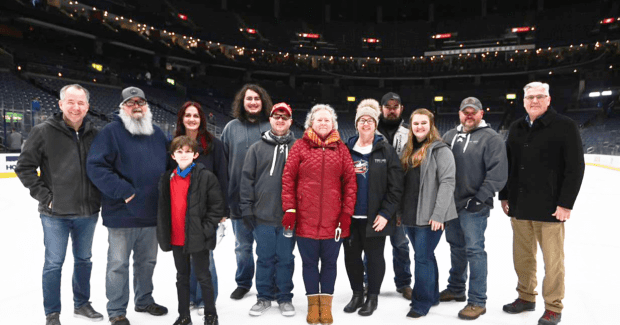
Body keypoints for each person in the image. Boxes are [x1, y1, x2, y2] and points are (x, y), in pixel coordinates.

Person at [16, 84, 103, 325]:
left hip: (88, 212)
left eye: (81, 103)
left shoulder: (95, 134)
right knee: (54, 263)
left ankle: (82, 304)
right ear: (61, 104)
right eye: (71, 102)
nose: (76, 107)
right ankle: (52, 313)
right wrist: (46, 197)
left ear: (87, 106)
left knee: (84, 260)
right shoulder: (43, 131)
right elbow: (24, 167)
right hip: (55, 214)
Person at [499, 82, 585, 325]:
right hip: (520, 206)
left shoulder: (565, 126)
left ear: (549, 99)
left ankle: (553, 307)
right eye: (530, 97)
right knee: (523, 258)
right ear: (524, 101)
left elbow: (575, 167)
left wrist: (566, 203)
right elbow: (509, 165)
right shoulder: (516, 127)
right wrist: (505, 196)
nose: (534, 101)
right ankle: (526, 297)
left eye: (539, 96)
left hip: (551, 209)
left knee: (553, 262)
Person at [87, 86, 169, 325]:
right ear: (122, 107)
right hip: (122, 213)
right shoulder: (111, 132)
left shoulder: (156, 133)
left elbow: (168, 165)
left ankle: (144, 300)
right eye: (130, 102)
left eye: (140, 102)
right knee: (118, 265)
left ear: (146, 106)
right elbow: (96, 167)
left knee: (147, 262)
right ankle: (116, 311)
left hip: (151, 213)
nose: (136, 106)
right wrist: (123, 190)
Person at [281, 104, 357, 325]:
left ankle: (326, 306)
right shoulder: (299, 147)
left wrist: (346, 214)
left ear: (333, 124)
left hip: (334, 221)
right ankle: (313, 306)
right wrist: (290, 208)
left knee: (331, 264)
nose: (323, 123)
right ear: (310, 123)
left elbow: (350, 183)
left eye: (327, 120)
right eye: (319, 119)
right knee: (309, 264)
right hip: (305, 219)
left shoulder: (341, 149)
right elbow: (288, 179)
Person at [439, 97, 508, 320]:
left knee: (474, 251)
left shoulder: (492, 138)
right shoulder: (449, 136)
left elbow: (498, 173)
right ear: (460, 114)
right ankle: (456, 288)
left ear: (481, 114)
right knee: (456, 247)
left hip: (475, 207)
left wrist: (479, 198)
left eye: (473, 112)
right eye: (465, 112)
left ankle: (477, 300)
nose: (469, 116)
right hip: (452, 205)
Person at [343, 99, 404, 316]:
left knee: (375, 259)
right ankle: (357, 294)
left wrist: (386, 213)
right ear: (356, 124)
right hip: (351, 218)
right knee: (351, 258)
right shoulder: (346, 149)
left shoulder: (385, 150)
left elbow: (396, 187)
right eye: (362, 120)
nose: (366, 123)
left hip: (375, 219)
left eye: (370, 120)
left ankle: (372, 297)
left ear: (375, 124)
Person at [157, 136, 224, 325]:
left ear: (195, 155)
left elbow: (216, 207)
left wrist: (205, 230)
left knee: (203, 276)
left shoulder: (206, 177)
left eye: (188, 151)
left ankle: (211, 314)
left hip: (198, 237)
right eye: (179, 151)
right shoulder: (167, 178)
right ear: (172, 156)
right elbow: (163, 208)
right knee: (182, 278)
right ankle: (184, 315)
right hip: (177, 237)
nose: (183, 154)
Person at [239, 102, 297, 317]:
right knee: (264, 258)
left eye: (285, 116)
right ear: (270, 120)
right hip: (262, 215)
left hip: (287, 217)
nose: (280, 119)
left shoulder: (298, 147)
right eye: (276, 116)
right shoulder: (256, 148)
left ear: (290, 121)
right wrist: (246, 207)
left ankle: (284, 297)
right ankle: (263, 297)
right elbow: (246, 180)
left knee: (285, 258)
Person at [400, 108, 457, 319]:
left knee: (421, 258)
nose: (419, 127)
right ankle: (432, 296)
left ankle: (421, 302)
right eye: (416, 123)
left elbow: (448, 182)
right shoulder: (408, 150)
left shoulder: (441, 150)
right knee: (426, 256)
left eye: (424, 123)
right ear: (411, 126)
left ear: (431, 125)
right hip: (410, 214)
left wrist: (439, 214)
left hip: (430, 215)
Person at [175, 101, 228, 315]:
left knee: (205, 255)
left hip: (207, 209)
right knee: (187, 254)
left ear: (201, 119)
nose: (191, 119)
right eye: (187, 115)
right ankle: (191, 297)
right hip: (182, 209)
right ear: (182, 118)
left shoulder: (214, 144)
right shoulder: (174, 144)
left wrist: (224, 211)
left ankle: (206, 300)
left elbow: (223, 177)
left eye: (195, 116)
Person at [221, 84, 272, 300]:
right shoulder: (231, 128)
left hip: (266, 201)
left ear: (263, 102)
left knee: (267, 248)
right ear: (242, 102)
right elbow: (222, 164)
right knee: (242, 247)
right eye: (248, 99)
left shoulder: (272, 126)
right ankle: (243, 282)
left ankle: (267, 284)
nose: (253, 102)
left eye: (257, 99)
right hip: (237, 200)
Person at [376, 92, 413, 299]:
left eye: (395, 106)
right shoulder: (370, 131)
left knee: (400, 244)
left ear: (401, 109)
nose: (391, 109)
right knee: (373, 243)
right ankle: (369, 282)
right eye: (387, 106)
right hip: (375, 198)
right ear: (381, 108)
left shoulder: (409, 133)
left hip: (400, 199)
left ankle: (404, 283)